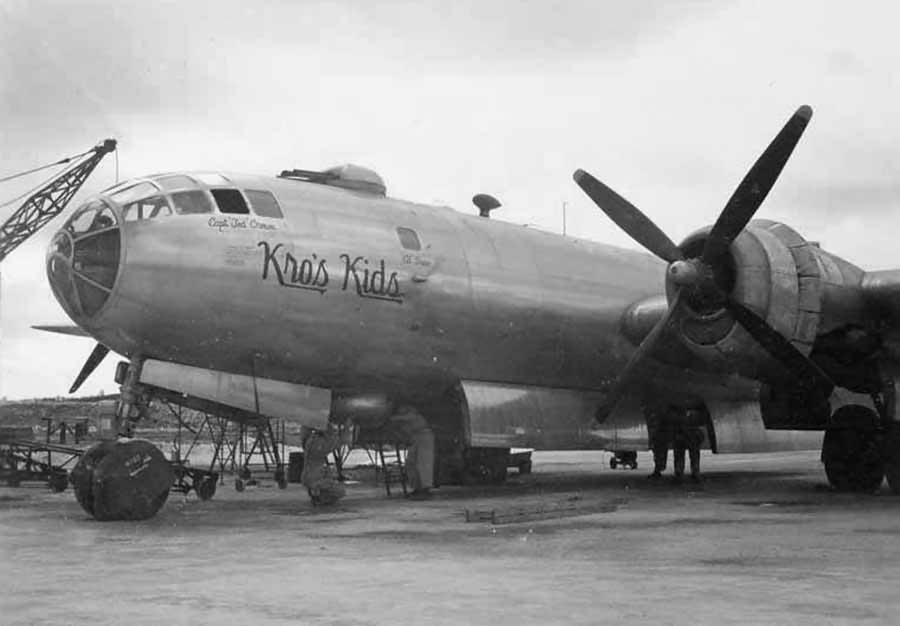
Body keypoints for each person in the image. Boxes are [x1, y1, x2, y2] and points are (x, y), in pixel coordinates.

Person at [388, 406, 435, 500]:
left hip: (424, 436)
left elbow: (401, 418)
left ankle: (425, 489)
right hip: (415, 438)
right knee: (410, 463)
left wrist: (388, 417)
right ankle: (417, 488)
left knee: (423, 463)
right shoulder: (404, 420)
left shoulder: (413, 415)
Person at [300, 426, 346, 505]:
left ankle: (319, 495)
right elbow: (337, 442)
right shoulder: (319, 443)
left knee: (335, 486)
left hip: (309, 475)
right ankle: (321, 496)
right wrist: (345, 429)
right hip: (314, 477)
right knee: (340, 491)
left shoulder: (312, 440)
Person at [646, 405, 674, 480]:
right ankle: (658, 469)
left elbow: (655, 427)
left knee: (659, 454)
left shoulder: (659, 416)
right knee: (660, 454)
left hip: (660, 438)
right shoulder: (663, 416)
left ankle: (658, 470)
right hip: (661, 438)